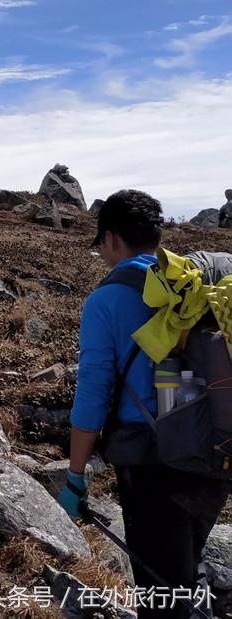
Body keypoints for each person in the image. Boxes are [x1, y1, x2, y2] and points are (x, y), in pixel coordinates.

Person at [58, 189, 231, 619]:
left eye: (100, 244)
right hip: (214, 452)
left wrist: (75, 479)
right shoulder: (194, 283)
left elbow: (92, 397)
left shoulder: (106, 301)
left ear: (113, 239)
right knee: (187, 570)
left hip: (153, 465)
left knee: (162, 597)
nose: (101, 253)